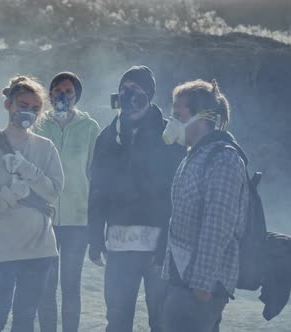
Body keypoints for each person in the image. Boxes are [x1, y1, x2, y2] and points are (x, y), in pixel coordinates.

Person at [88, 66, 185, 332]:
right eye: (124, 90)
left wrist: (167, 239)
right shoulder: (108, 137)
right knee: (117, 320)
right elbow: (97, 189)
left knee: (162, 320)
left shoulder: (170, 137)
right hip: (120, 245)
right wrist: (95, 236)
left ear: (150, 96)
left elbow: (177, 193)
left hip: (158, 248)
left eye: (137, 91)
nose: (129, 96)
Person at [0, 75, 64, 332]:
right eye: (22, 105)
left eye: (35, 109)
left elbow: (53, 192)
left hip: (39, 248)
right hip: (0, 249)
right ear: (8, 105)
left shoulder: (46, 148)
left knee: (25, 319)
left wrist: (28, 170)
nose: (28, 112)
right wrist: (10, 194)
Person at [161, 79, 248, 332]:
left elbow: (217, 225)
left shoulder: (223, 158)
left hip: (201, 286)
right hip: (184, 279)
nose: (172, 120)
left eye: (178, 114)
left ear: (202, 117)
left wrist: (202, 284)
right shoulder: (194, 156)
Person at [34, 72, 101, 332]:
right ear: (49, 95)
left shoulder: (89, 127)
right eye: (57, 90)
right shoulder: (38, 124)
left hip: (77, 219)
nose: (62, 96)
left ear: (77, 97)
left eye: (68, 92)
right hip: (44, 219)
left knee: (70, 285)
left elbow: (93, 174)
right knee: (46, 286)